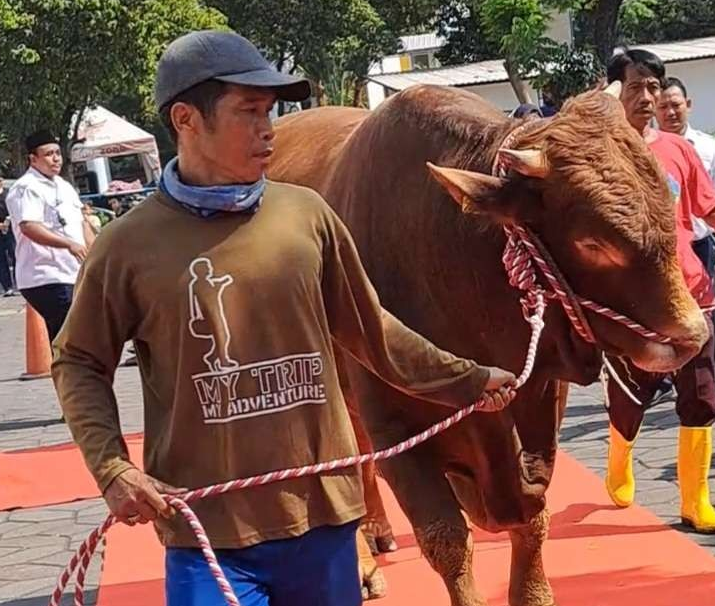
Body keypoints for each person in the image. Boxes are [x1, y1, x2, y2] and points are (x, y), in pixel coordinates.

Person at [51, 30, 517, 606]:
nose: (268, 129)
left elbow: (372, 332)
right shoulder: (127, 245)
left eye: (270, 112)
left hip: (322, 521)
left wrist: (469, 380)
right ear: (186, 119)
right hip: (209, 531)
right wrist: (112, 468)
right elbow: (76, 361)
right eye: (248, 112)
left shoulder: (306, 216)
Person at [604, 48, 715, 533]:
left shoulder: (679, 149)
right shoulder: (598, 152)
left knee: (701, 391)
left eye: (654, 87)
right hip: (633, 298)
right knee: (633, 391)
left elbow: (707, 207)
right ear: (615, 93)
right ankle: (619, 456)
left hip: (691, 287)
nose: (647, 97)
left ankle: (695, 501)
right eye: (635, 88)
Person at [656, 76, 715, 362]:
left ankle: (703, 373)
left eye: (675, 105)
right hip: (662, 250)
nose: (670, 112)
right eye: (663, 107)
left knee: (705, 311)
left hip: (700, 244)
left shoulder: (708, 146)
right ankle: (665, 377)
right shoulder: (638, 148)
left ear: (689, 105)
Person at [5, 130, 94, 341]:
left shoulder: (64, 186)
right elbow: (29, 226)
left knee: (80, 338)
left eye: (57, 153)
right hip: (46, 277)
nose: (55, 159)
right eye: (48, 154)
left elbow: (81, 224)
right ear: (33, 159)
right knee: (72, 340)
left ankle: (74, 372)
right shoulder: (26, 188)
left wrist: (97, 251)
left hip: (74, 273)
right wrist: (68, 244)